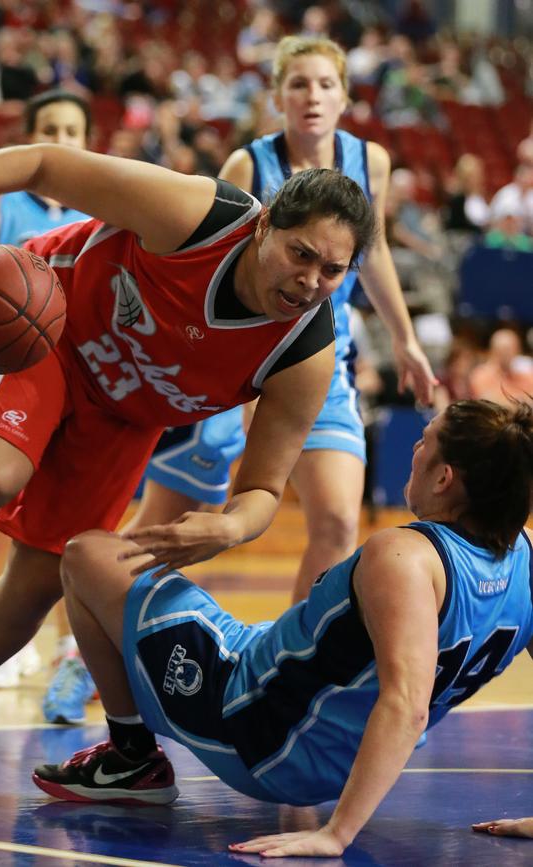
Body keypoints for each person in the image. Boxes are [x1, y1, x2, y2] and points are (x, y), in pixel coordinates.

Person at [0, 142, 376, 788]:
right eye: (301, 253)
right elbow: (42, 163)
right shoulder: (198, 215)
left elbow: (261, 487)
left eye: (333, 269)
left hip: (123, 415)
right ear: (263, 228)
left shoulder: (303, 353)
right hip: (46, 321)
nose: (312, 280)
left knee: (37, 584)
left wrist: (229, 527)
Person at [30, 398, 533, 860]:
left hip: (258, 727)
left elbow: (406, 703)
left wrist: (336, 834)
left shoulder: (404, 557)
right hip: (339, 750)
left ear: (445, 478)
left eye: (426, 438)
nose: (415, 448)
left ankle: (131, 758)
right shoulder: (525, 559)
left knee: (88, 553)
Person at [219, 36, 435, 601]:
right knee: (204, 518)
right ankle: (98, 638)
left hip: (319, 357)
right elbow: (217, 259)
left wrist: (406, 340)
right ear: (277, 97)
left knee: (340, 525)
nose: (312, 95)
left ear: (344, 97)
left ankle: (289, 665)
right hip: (239, 354)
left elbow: (376, 251)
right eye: (298, 83)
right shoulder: (249, 162)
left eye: (325, 84)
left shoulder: (371, 161)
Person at [0, 88, 96, 713]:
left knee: (70, 517)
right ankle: (9, 640)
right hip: (11, 372)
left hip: (81, 380)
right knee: (3, 502)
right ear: (33, 136)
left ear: (87, 142)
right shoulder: (5, 201)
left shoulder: (102, 207)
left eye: (72, 130)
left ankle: (68, 646)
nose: (61, 141)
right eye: (50, 129)